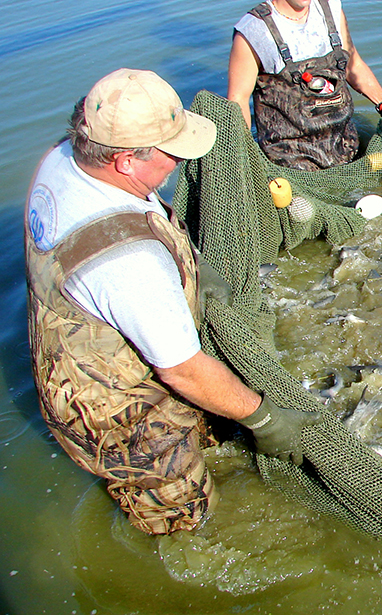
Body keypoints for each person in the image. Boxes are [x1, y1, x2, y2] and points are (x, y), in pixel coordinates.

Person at [25, 68, 322, 535]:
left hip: (79, 350)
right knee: (185, 523)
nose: (178, 164)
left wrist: (193, 272)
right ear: (124, 161)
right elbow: (181, 368)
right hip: (119, 417)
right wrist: (264, 418)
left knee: (209, 428)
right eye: (170, 153)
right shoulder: (129, 263)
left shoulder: (65, 158)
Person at [227, 0, 382, 171]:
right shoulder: (253, 31)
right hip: (289, 160)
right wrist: (242, 156)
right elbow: (237, 101)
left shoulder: (331, 10)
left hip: (344, 145)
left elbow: (353, 65)